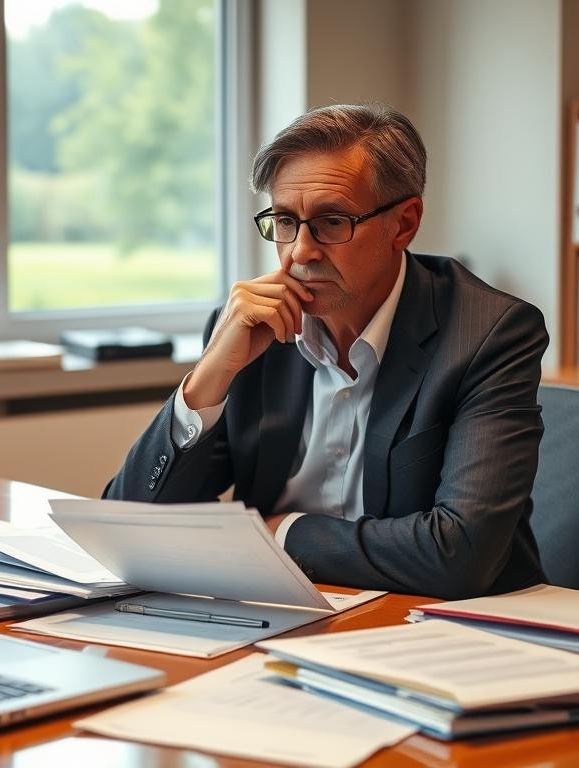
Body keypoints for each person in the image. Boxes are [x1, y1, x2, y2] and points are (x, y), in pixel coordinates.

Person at [104, 103, 549, 600]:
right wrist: (209, 377)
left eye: (332, 222)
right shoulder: (253, 331)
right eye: (285, 221)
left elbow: (460, 554)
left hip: (444, 630)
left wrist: (283, 533)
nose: (299, 251)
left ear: (403, 224)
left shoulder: (488, 333)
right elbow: (130, 527)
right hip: (283, 615)